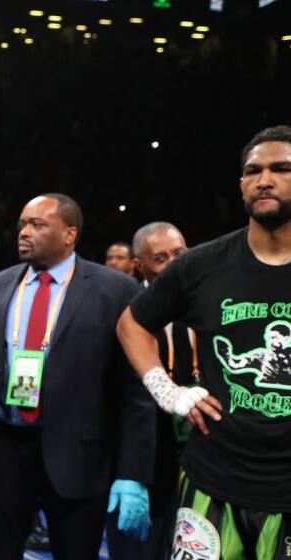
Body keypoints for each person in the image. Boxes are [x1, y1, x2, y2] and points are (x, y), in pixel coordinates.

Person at [117, 125, 291, 558]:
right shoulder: (201, 266)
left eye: (281, 168)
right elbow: (131, 324)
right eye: (253, 171)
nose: (264, 179)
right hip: (214, 478)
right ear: (241, 185)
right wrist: (166, 390)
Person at [0, 193, 156, 559]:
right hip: (5, 450)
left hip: (79, 455)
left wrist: (132, 471)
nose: (24, 232)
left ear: (69, 234)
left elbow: (134, 390)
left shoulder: (114, 290)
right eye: (22, 223)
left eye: (38, 225)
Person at [106, 222, 192, 560]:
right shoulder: (124, 311)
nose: (174, 263)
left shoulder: (209, 302)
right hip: (146, 456)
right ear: (138, 265)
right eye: (160, 258)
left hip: (201, 455)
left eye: (179, 254)